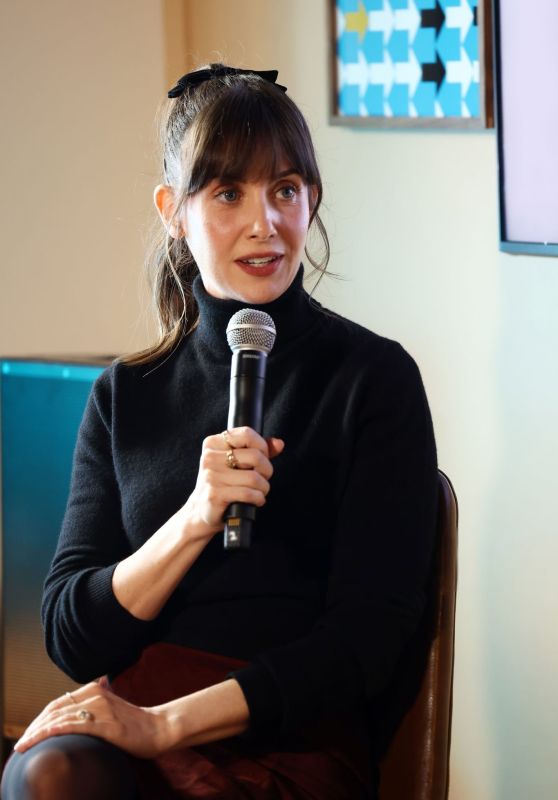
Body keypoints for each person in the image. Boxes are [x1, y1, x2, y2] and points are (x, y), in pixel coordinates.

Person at [1, 64, 438, 800]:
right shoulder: (126, 394)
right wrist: (194, 518)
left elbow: (369, 640)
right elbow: (74, 635)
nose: (265, 223)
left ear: (312, 201)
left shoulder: (374, 378)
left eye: (286, 191)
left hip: (294, 726)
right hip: (138, 712)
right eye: (230, 193)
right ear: (173, 210)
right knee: (51, 774)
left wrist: (168, 725)